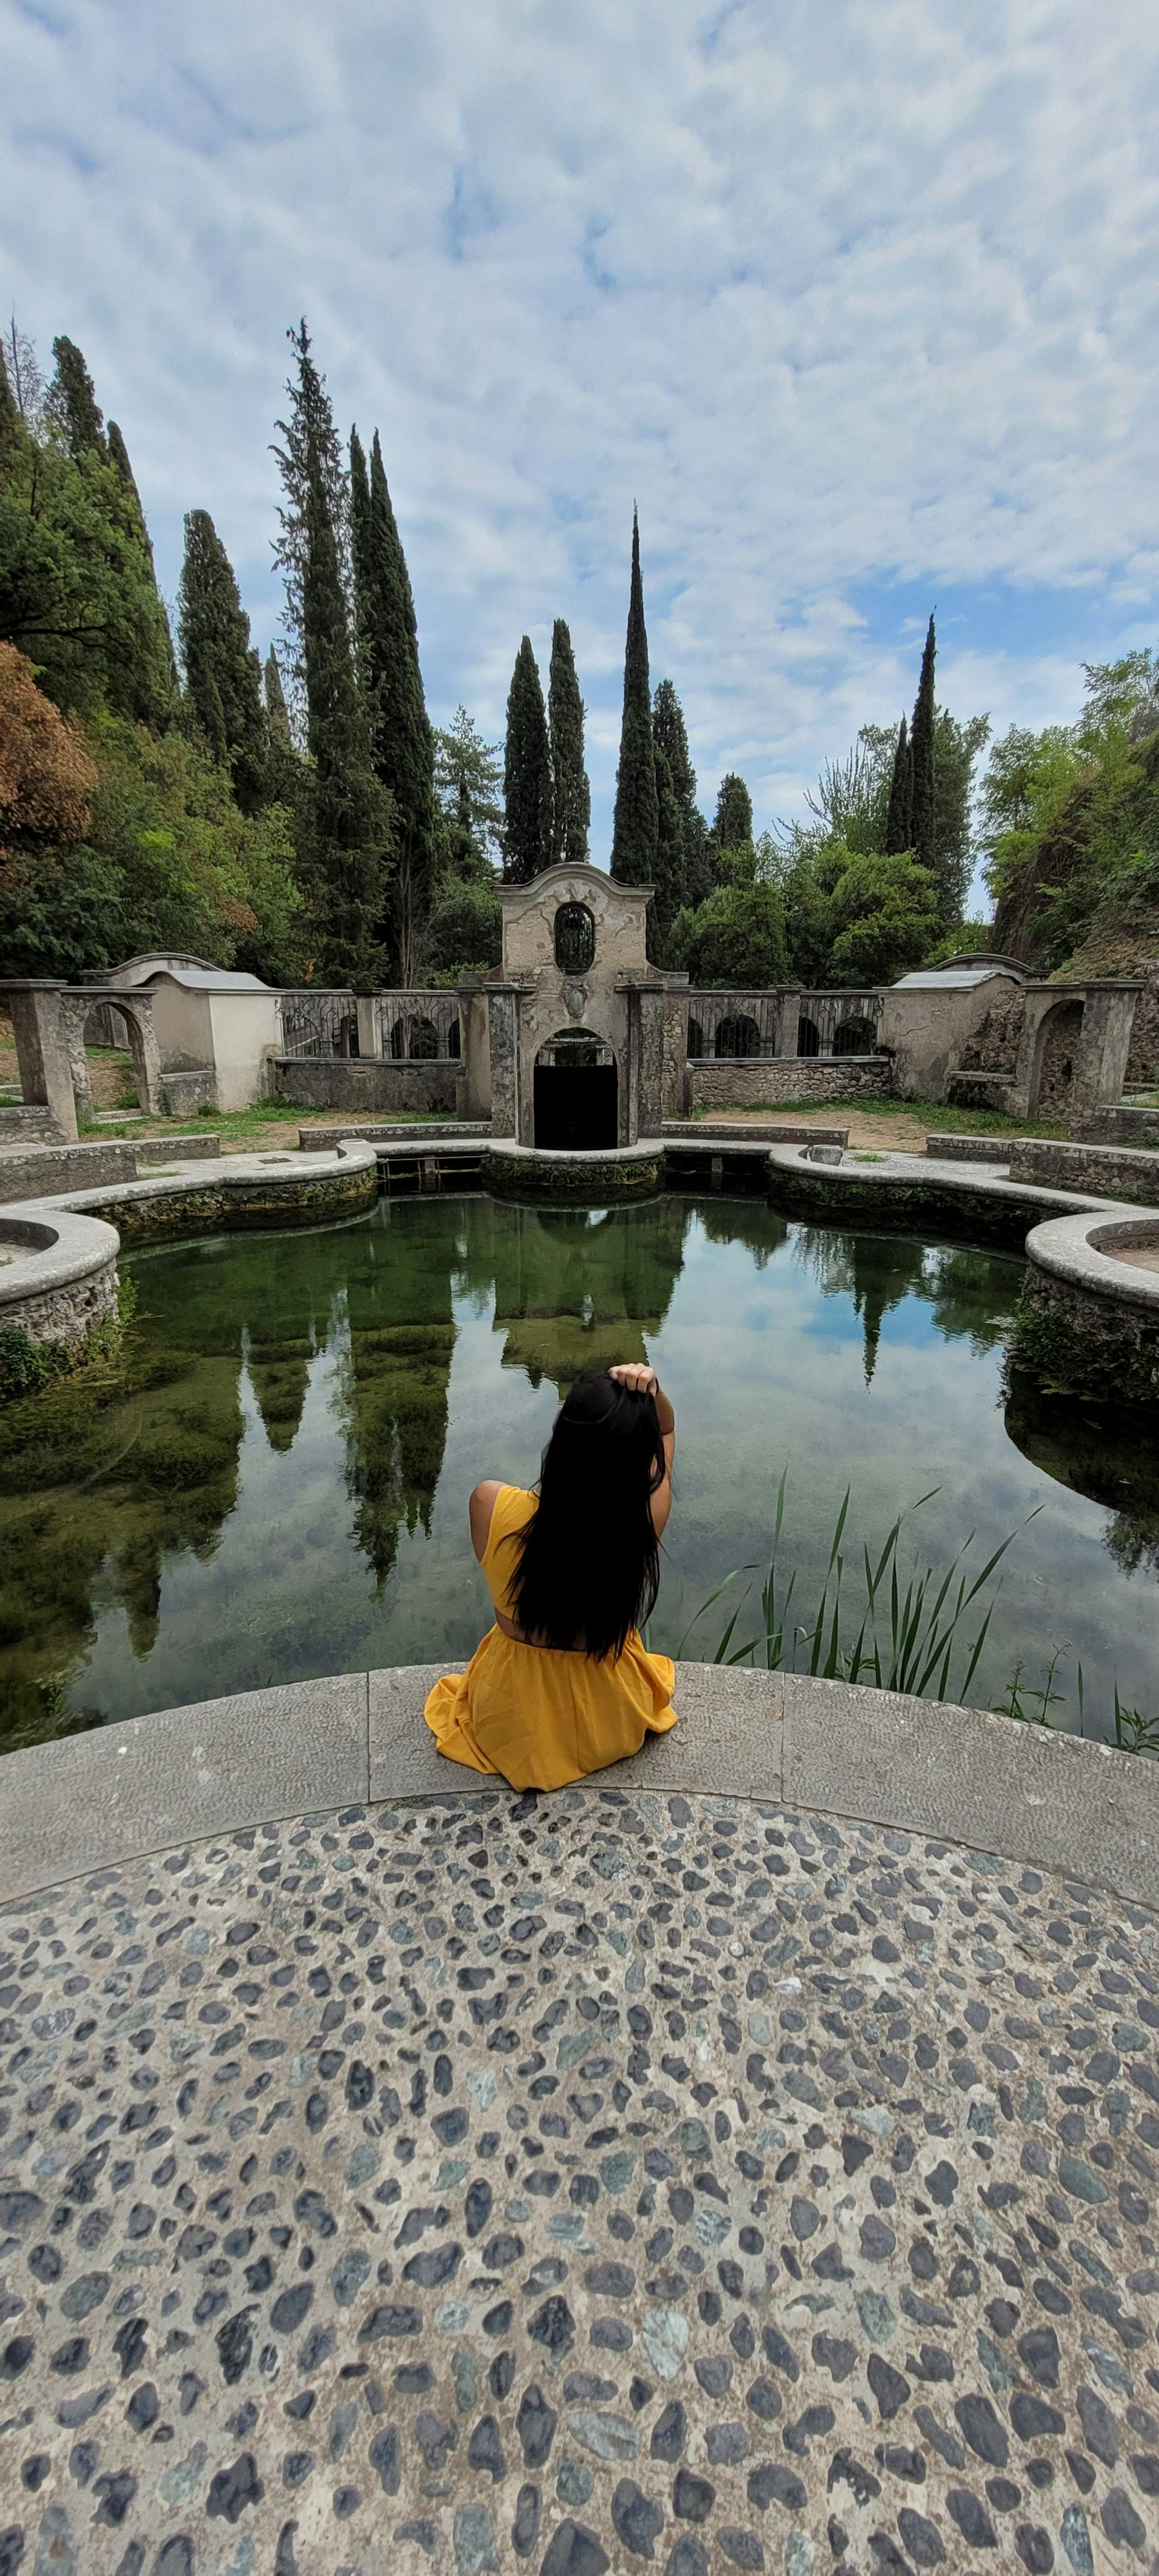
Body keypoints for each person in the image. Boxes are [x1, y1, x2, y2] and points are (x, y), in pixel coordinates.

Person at [423, 1361, 678, 1790]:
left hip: (513, 1718)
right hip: (610, 1714)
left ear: (563, 1443)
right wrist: (654, 1392)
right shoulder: (644, 1521)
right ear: (639, 1460)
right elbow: (666, 1435)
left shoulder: (491, 1505)